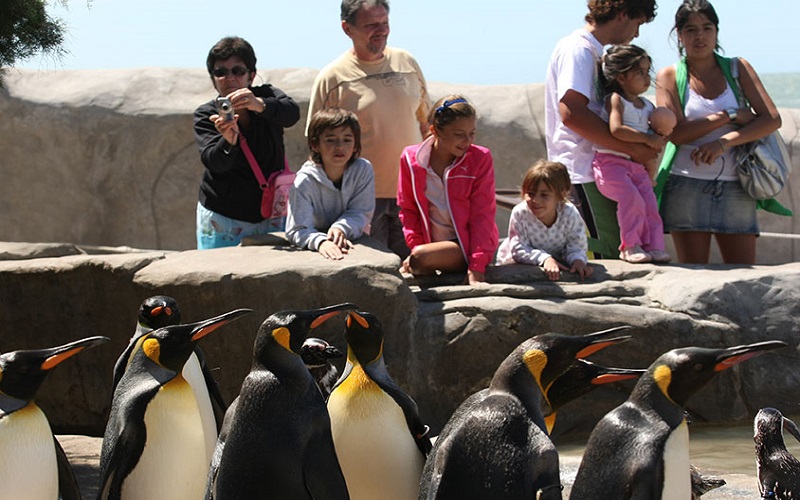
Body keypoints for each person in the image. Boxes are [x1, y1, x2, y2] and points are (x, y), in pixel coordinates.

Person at [655, 0, 781, 264]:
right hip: (685, 184)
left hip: (737, 185)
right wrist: (729, 115)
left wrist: (723, 142)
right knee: (694, 277)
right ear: (679, 35)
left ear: (716, 31)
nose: (700, 36)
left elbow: (771, 119)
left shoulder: (738, 68)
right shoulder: (669, 76)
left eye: (707, 27)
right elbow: (675, 134)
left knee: (744, 276)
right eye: (690, 30)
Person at [307, 0, 430, 258]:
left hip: (412, 196)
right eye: (371, 25)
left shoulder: (407, 62)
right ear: (347, 28)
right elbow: (316, 147)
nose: (381, 30)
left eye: (384, 23)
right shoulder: (332, 77)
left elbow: (426, 125)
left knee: (416, 275)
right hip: (359, 203)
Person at [544, 0, 658, 259]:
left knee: (621, 247)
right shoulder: (579, 50)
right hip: (581, 171)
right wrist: (632, 149)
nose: (636, 34)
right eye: (637, 23)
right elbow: (572, 113)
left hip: (600, 170)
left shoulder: (594, 52)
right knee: (604, 253)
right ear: (622, 14)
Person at [193, 36, 300, 249]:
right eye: (220, 72)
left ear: (251, 76)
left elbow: (292, 114)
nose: (229, 78)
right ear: (213, 79)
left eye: (238, 71)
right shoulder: (206, 115)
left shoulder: (267, 96)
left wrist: (259, 105)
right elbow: (214, 162)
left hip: (271, 215)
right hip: (224, 219)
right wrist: (228, 141)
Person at [397, 95, 498, 285]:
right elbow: (408, 210)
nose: (467, 141)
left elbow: (482, 214)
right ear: (435, 131)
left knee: (420, 258)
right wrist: (418, 248)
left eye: (472, 134)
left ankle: (420, 261)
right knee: (420, 257)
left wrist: (476, 266)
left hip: (467, 247)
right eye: (459, 134)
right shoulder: (411, 160)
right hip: (429, 247)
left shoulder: (480, 158)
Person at [592, 44, 671, 264]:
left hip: (636, 166)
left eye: (647, 72)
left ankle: (654, 245)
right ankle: (630, 245)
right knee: (631, 198)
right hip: (611, 164)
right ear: (621, 77)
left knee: (649, 203)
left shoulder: (646, 105)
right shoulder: (616, 100)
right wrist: (646, 139)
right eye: (640, 73)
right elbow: (616, 129)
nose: (646, 78)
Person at [286, 108, 375, 260]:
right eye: (330, 140)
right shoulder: (304, 181)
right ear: (315, 144)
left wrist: (340, 228)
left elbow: (361, 212)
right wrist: (321, 242)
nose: (340, 146)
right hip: (315, 243)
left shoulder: (362, 170)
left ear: (355, 145)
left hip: (350, 239)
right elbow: (297, 229)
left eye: (347, 139)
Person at [496, 160, 594, 281]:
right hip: (517, 264)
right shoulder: (520, 213)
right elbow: (519, 249)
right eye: (531, 194)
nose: (536, 200)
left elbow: (576, 245)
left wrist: (577, 260)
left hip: (557, 263)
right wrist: (544, 259)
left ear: (560, 195)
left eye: (544, 195)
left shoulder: (569, 213)